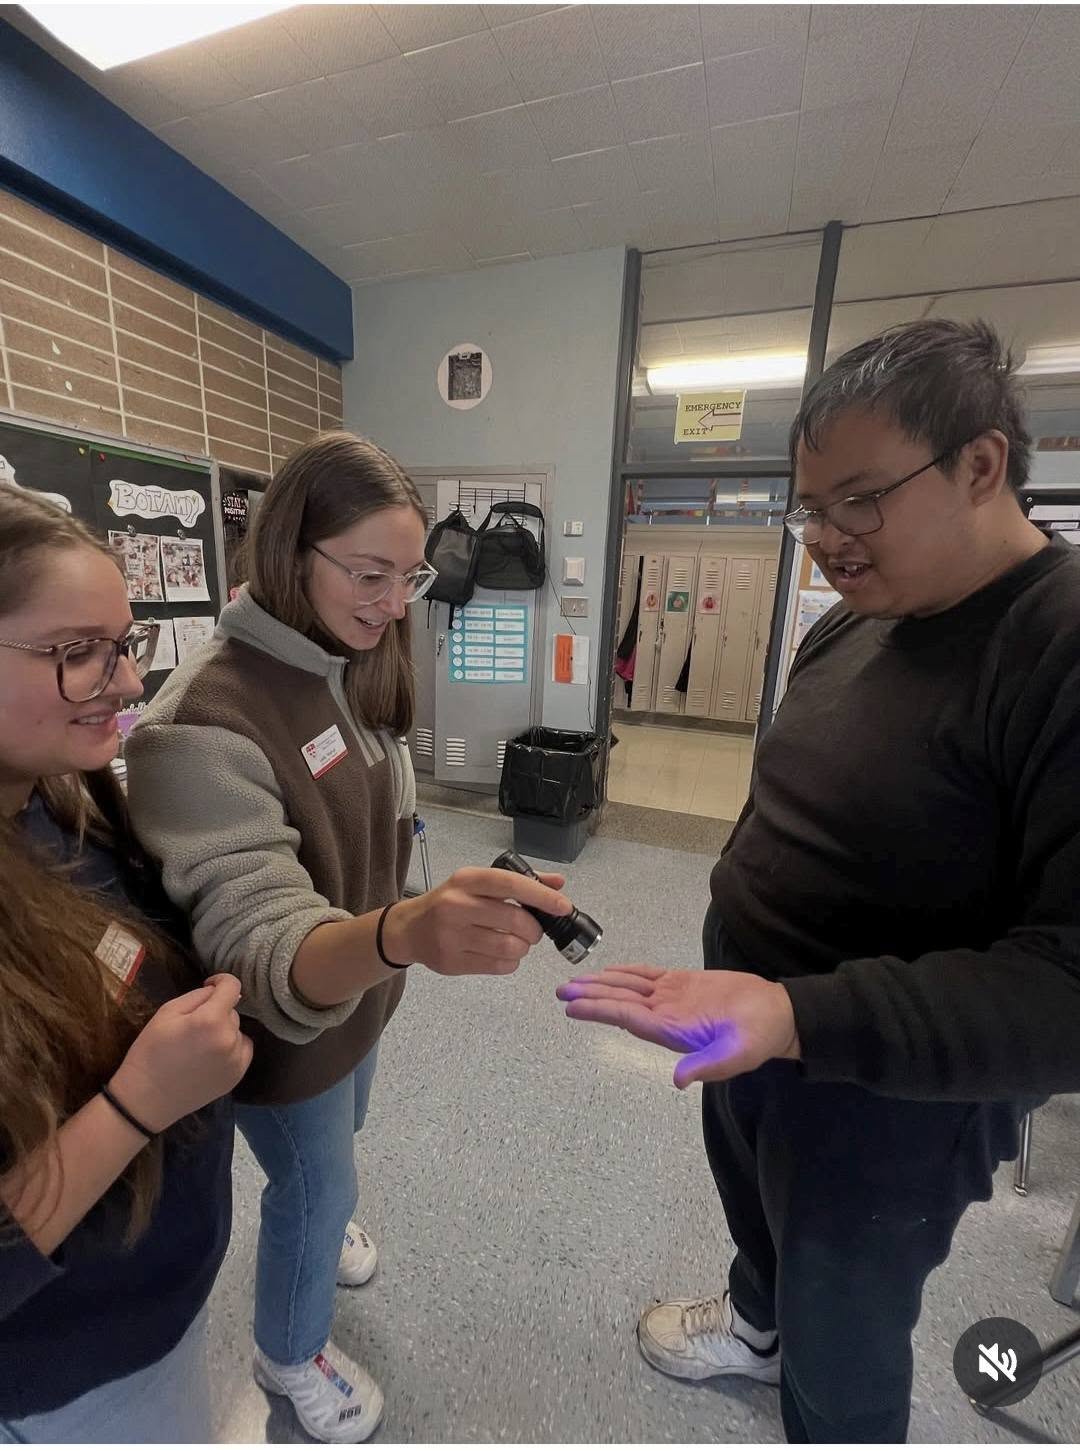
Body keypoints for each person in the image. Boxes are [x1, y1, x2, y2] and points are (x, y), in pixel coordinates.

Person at [557, 318, 1080, 1443]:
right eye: (812, 509)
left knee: (845, 1319)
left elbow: (1069, 986)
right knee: (760, 1216)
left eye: (860, 500)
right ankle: (757, 1325)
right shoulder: (855, 624)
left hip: (893, 1098)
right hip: (753, 1025)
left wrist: (799, 1014)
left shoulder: (1058, 645)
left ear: (979, 465)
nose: (830, 540)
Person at [124, 432, 569, 1444]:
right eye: (370, 574)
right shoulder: (202, 722)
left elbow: (371, 825)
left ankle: (321, 1221)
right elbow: (262, 944)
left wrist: (419, 905)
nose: (394, 602)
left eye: (409, 576)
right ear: (292, 551)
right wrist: (408, 929)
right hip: (282, 1028)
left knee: (340, 1154)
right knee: (317, 1187)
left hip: (363, 991)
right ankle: (291, 1356)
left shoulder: (345, 659)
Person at [0, 487, 251, 1442]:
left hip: (151, 1303)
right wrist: (141, 1100)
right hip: (74, 1368)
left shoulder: (54, 800)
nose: (130, 682)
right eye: (78, 653)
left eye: (124, 644)